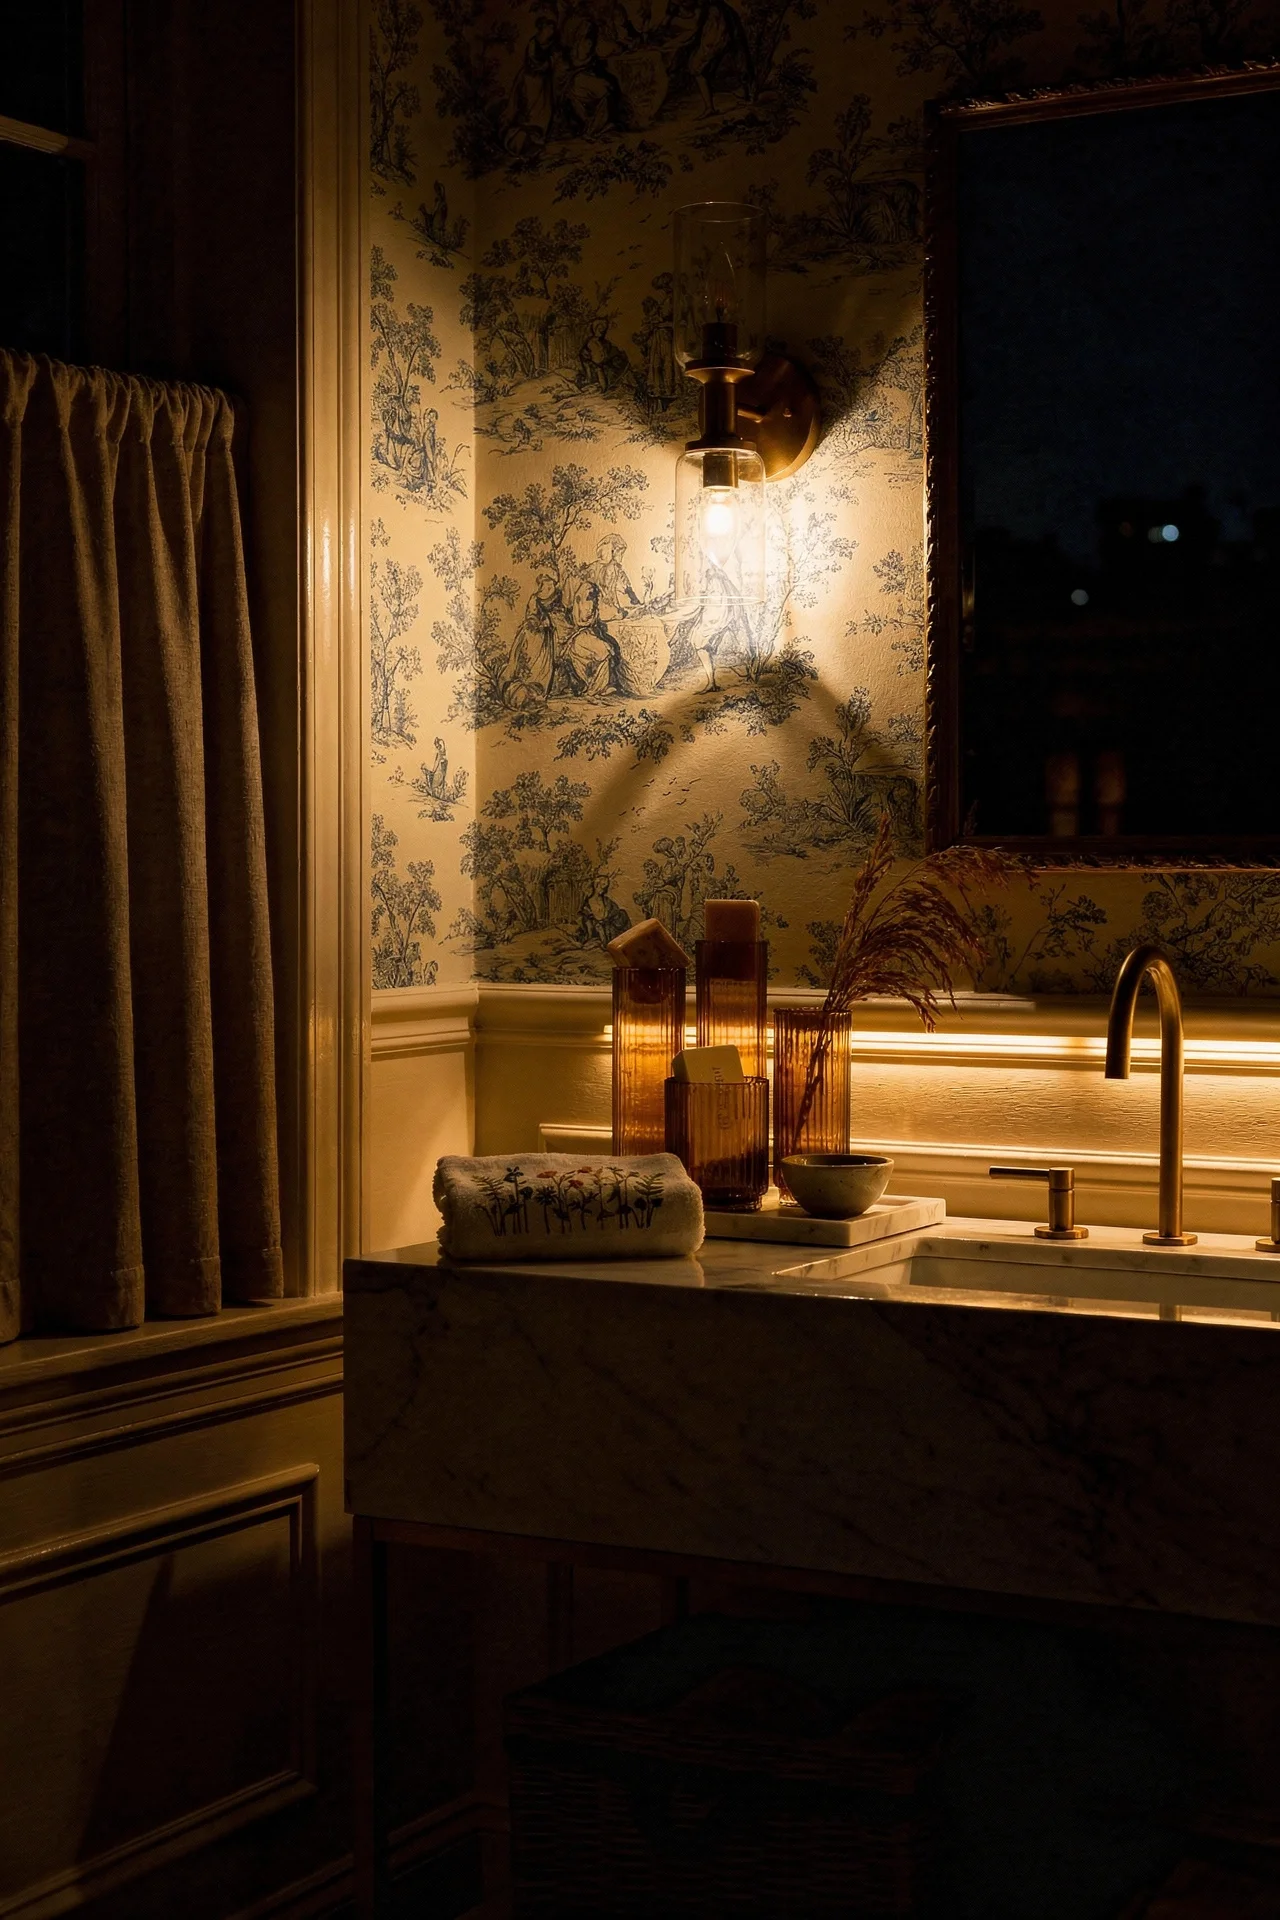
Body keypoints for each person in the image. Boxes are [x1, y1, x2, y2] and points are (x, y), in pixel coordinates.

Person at [503, 16, 559, 155]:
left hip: (543, 79)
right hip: (531, 76)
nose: (551, 30)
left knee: (544, 105)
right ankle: (526, 129)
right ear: (543, 29)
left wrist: (549, 64)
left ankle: (538, 129)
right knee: (527, 97)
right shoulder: (533, 43)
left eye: (552, 28)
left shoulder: (552, 44)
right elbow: (531, 61)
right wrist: (541, 66)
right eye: (548, 28)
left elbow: (555, 58)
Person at [590, 534, 642, 619]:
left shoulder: (616, 568)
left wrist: (635, 600)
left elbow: (626, 585)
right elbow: (607, 592)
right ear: (613, 552)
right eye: (620, 554)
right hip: (601, 604)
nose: (622, 557)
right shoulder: (604, 569)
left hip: (611, 604)